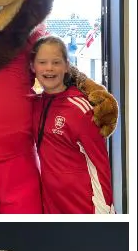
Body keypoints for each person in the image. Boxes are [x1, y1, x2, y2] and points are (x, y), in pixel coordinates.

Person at [30, 35, 115, 213]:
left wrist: (104, 212)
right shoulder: (35, 105)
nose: (49, 68)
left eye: (56, 62)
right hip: (52, 206)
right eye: (42, 62)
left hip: (84, 208)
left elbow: (99, 165)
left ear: (67, 66)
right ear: (33, 67)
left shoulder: (80, 109)